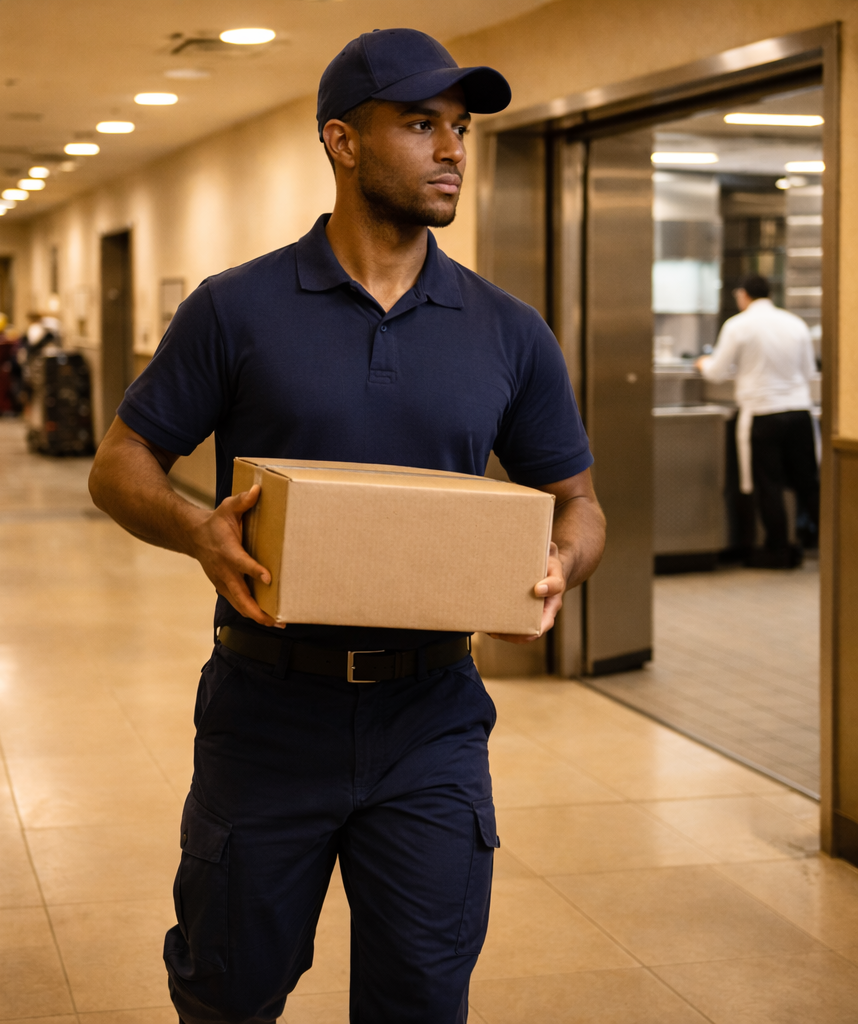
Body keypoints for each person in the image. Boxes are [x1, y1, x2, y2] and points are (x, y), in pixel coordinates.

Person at [89, 27, 605, 1024]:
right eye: (421, 124)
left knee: (420, 995)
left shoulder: (507, 330)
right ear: (342, 141)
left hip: (433, 716)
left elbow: (580, 504)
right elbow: (120, 464)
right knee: (229, 986)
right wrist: (199, 531)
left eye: (459, 126)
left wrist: (556, 566)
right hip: (267, 707)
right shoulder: (236, 310)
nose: (453, 148)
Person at [697, 274, 819, 567]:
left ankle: (778, 550)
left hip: (764, 413)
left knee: (769, 483)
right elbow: (808, 371)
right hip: (800, 411)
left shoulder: (738, 325)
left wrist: (703, 363)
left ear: (743, 295)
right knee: (808, 483)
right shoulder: (795, 323)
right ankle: (836, 542)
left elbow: (716, 371)